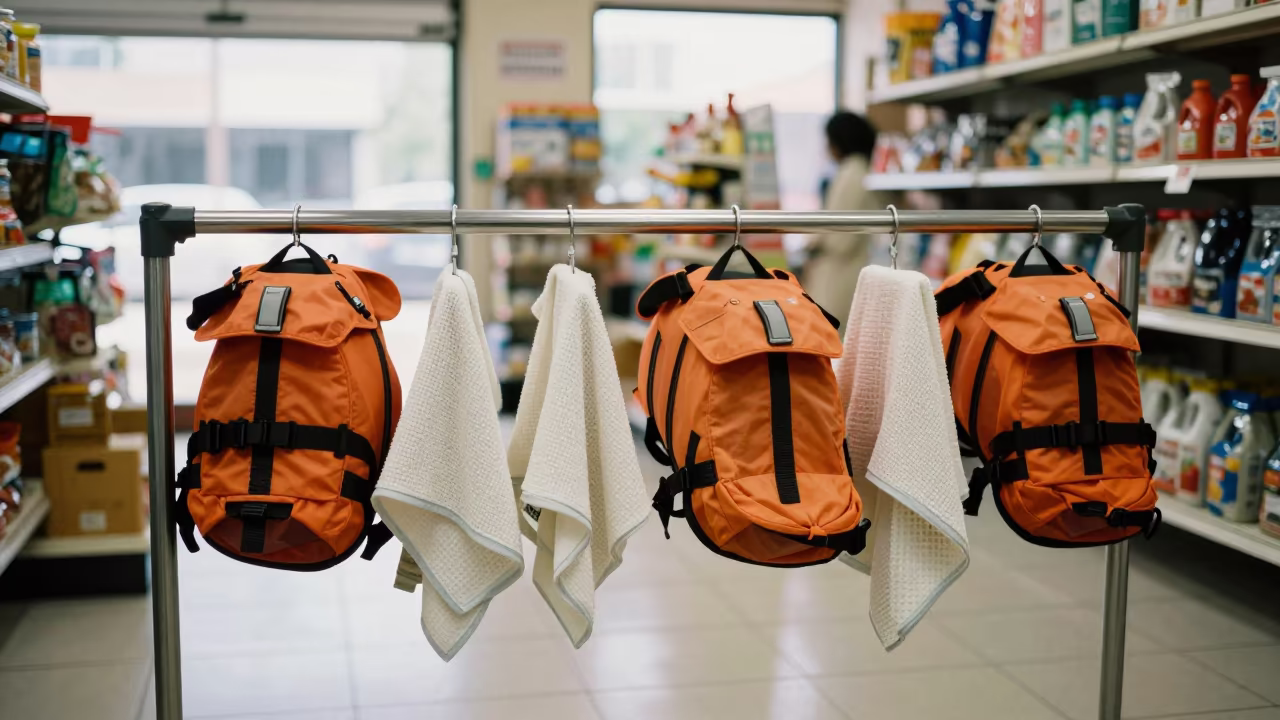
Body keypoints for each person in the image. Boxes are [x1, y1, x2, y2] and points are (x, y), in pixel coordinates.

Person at [803, 111, 891, 330]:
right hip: (847, 271)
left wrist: (813, 244)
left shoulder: (851, 174)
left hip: (838, 276)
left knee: (831, 343)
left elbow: (837, 237)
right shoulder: (860, 171)